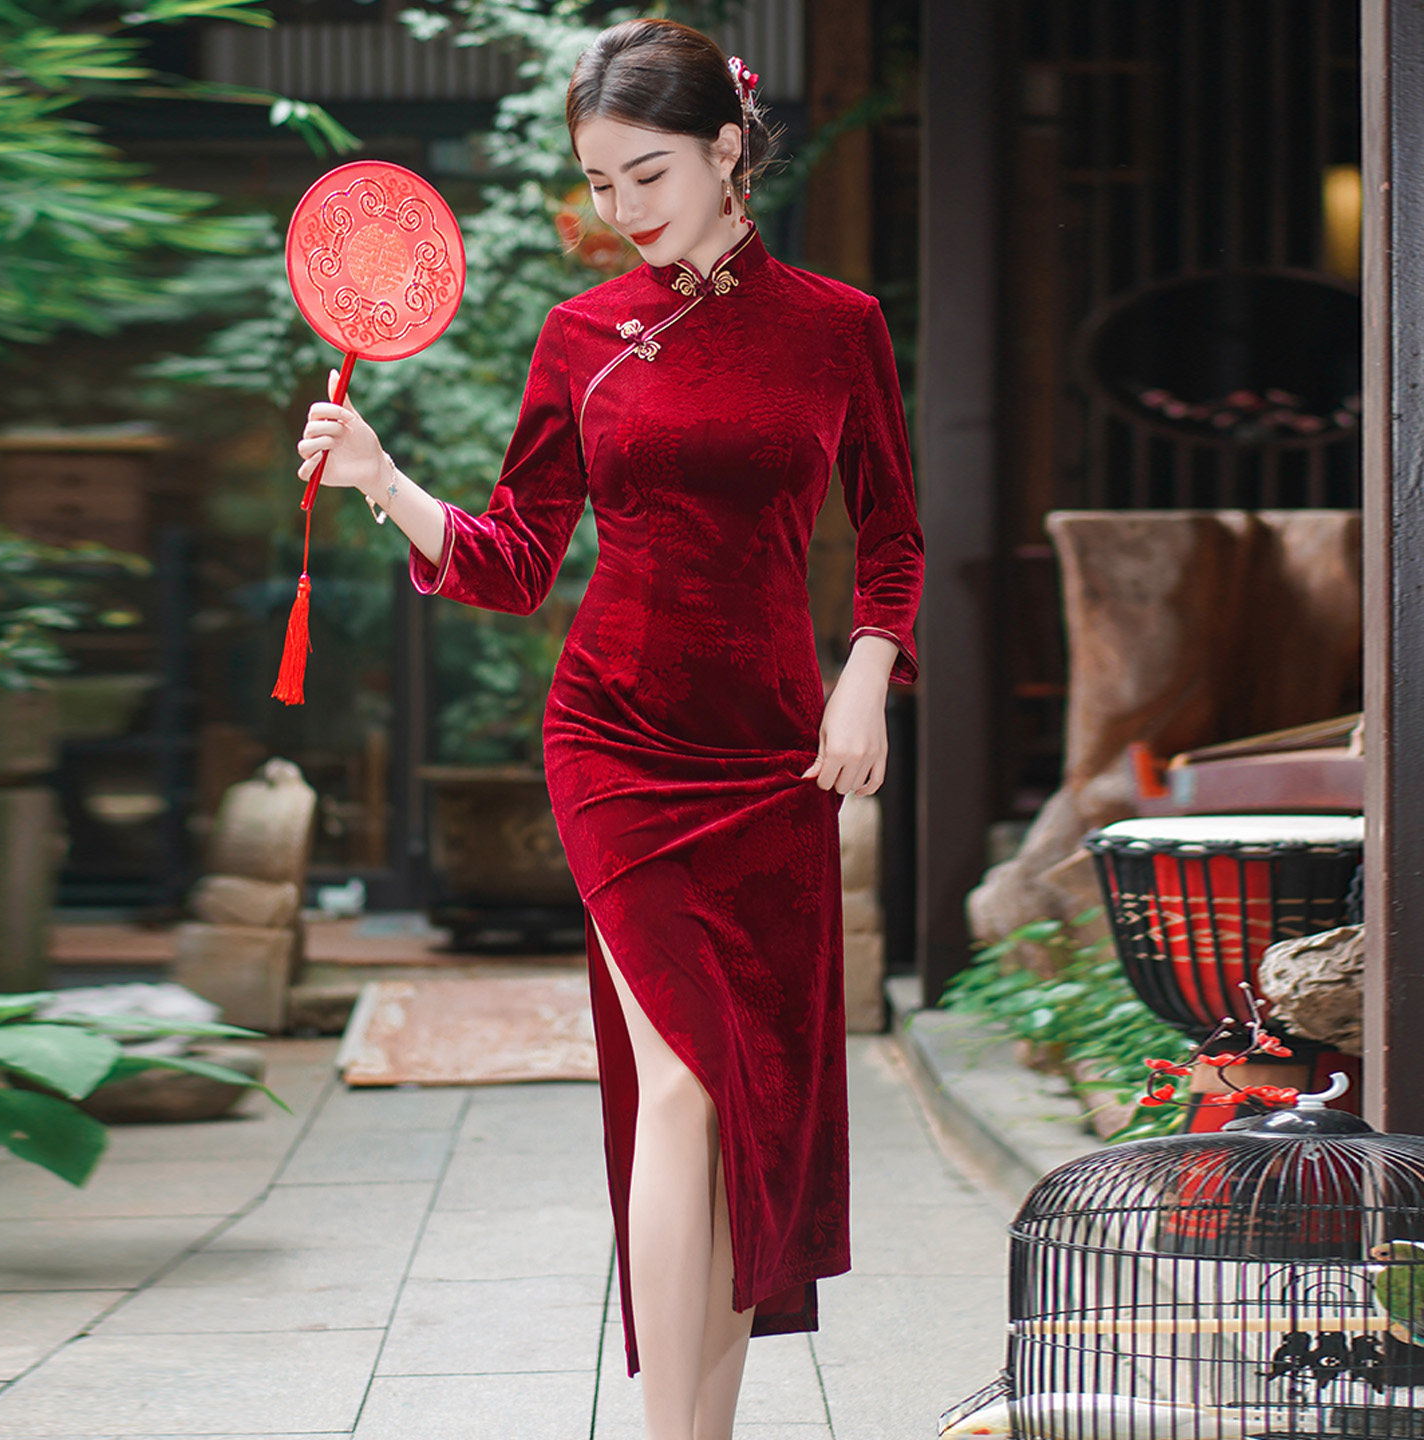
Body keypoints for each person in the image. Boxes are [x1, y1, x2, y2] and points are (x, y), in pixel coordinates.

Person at [295, 17, 924, 1439]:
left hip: (773, 753)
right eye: (599, 182)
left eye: (648, 175)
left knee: (747, 1102)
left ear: (726, 150)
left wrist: (866, 669)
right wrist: (385, 479)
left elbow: (892, 536)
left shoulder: (839, 327)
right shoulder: (580, 335)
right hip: (617, 743)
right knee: (687, 1082)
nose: (623, 209)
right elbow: (518, 559)